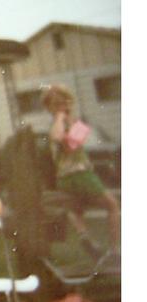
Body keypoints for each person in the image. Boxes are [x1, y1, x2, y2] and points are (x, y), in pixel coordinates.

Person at [41, 84, 120, 263]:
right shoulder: (71, 124)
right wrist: (62, 117)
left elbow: (60, 139)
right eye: (58, 104)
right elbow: (67, 144)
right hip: (81, 175)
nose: (63, 106)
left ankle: (84, 236)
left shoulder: (58, 125)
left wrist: (61, 119)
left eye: (64, 102)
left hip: (64, 178)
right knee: (112, 205)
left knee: (75, 210)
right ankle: (116, 251)